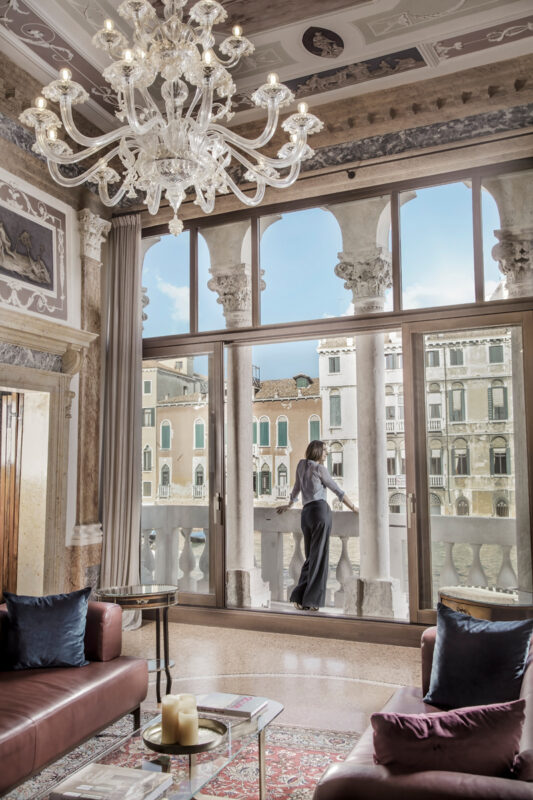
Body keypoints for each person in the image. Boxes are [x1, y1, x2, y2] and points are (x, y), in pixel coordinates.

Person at [277, 440, 358, 611]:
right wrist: (354, 508)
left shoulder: (300, 465)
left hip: (306, 514)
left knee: (311, 557)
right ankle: (310, 601)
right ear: (317, 451)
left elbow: (296, 488)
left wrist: (289, 504)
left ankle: (300, 597)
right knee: (319, 558)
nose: (326, 454)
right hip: (320, 512)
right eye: (324, 451)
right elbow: (338, 491)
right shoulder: (320, 469)